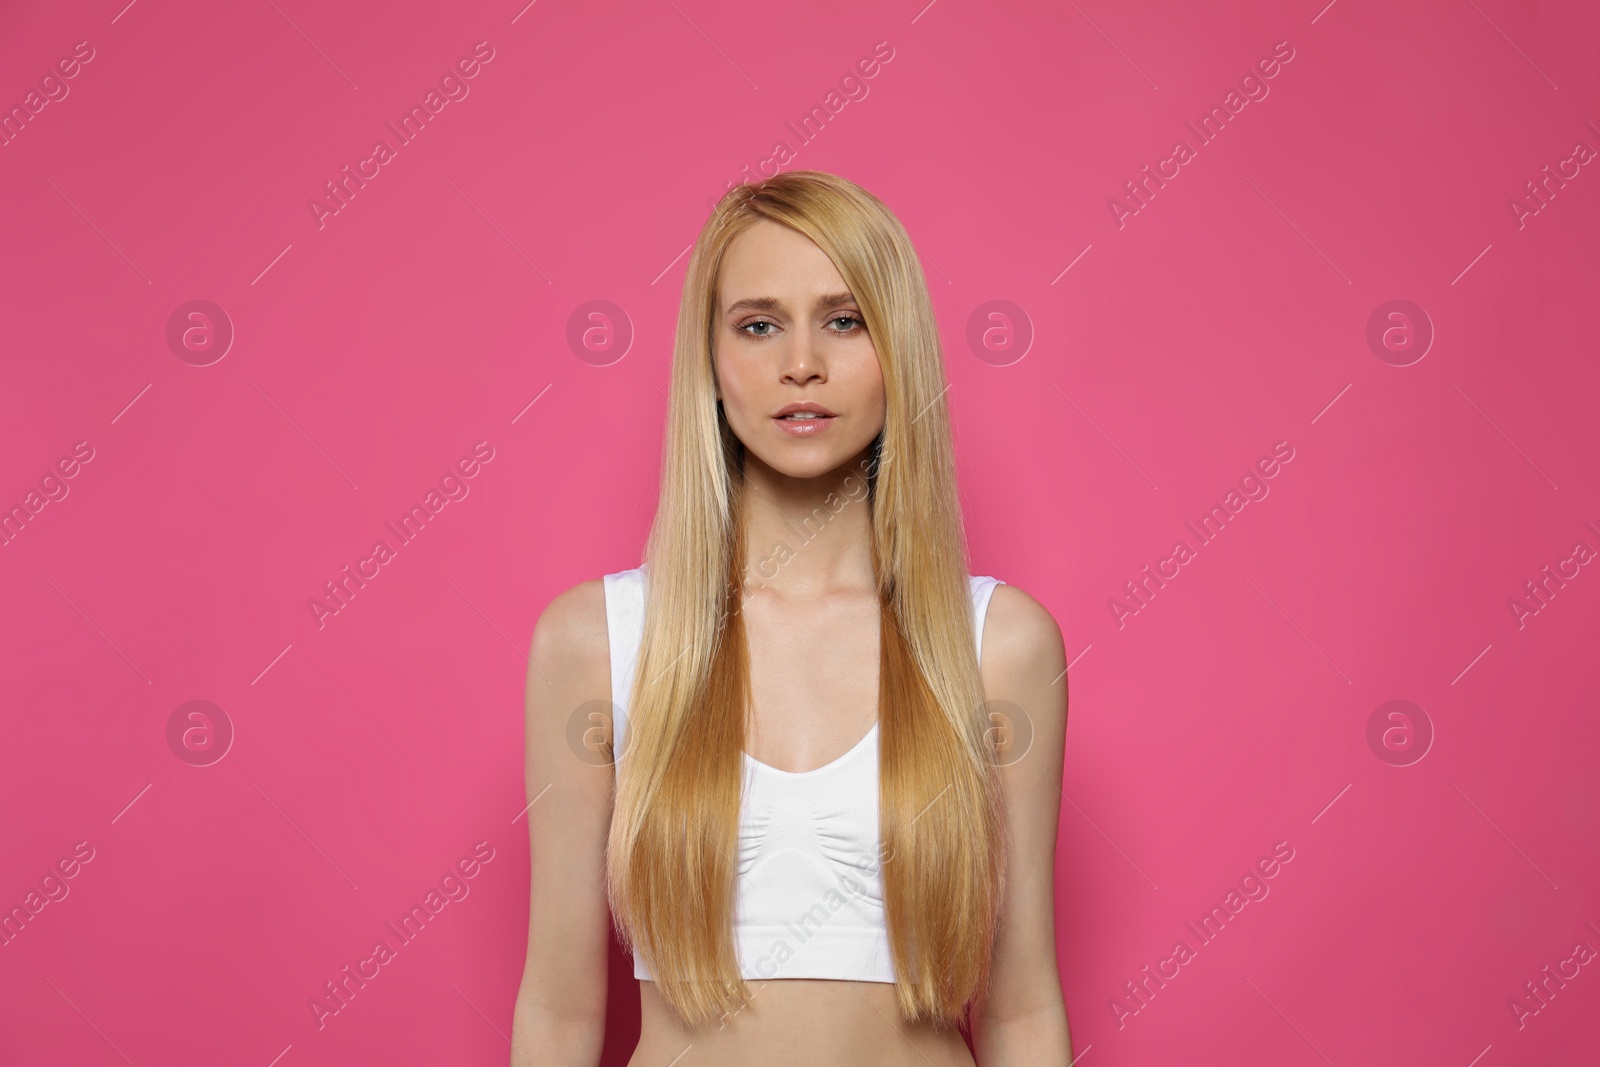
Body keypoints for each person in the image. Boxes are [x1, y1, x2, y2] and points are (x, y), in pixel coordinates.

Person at [511, 171, 1071, 1065]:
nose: (799, 361)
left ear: (900, 350)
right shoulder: (597, 642)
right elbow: (559, 1010)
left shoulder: (999, 646)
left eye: (844, 320)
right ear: (712, 360)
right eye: (759, 323)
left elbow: (1022, 1010)